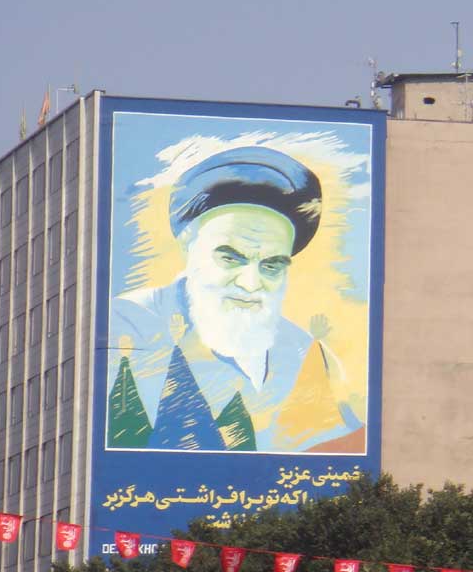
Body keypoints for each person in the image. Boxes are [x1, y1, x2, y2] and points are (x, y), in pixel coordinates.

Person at [108, 145, 361, 453]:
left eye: (271, 266)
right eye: (231, 259)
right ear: (188, 243)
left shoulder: (307, 353)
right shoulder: (125, 326)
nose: (250, 284)